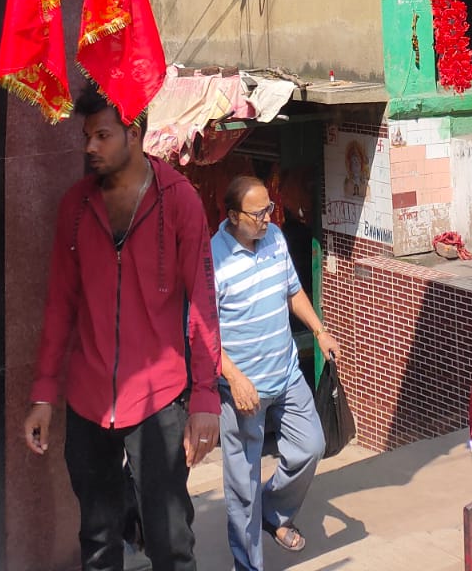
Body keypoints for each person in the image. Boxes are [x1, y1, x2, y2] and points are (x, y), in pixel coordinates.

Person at [23, 81, 221, 571]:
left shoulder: (180, 201)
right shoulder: (75, 206)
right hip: (89, 402)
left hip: (159, 401)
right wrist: (45, 394)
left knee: (171, 542)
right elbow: (60, 305)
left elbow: (202, 305)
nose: (89, 146)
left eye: (102, 135)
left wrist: (205, 399)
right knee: (97, 542)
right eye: (87, 135)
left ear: (134, 134)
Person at [212, 174, 341, 569]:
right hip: (241, 390)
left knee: (310, 447)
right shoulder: (210, 260)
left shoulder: (276, 239)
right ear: (233, 216)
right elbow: (199, 333)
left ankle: (274, 512)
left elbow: (292, 291)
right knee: (242, 486)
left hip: (285, 373)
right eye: (257, 213)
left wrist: (319, 330)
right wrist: (233, 377)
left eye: (269, 208)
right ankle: (248, 564)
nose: (267, 218)